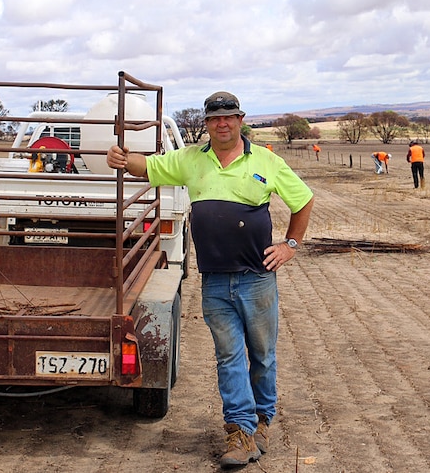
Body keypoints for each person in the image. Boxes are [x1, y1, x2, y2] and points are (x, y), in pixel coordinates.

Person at [107, 91, 314, 468]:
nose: (223, 123)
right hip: (215, 282)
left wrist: (290, 245)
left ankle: (262, 420)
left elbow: (303, 200)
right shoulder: (190, 160)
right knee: (229, 357)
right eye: (215, 118)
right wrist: (122, 159)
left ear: (240, 120)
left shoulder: (267, 160)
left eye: (230, 117)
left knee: (263, 357)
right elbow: (148, 166)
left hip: (257, 279)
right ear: (206, 123)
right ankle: (239, 431)